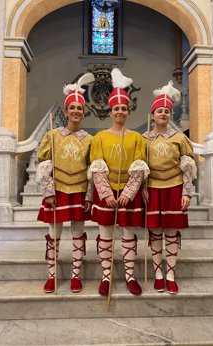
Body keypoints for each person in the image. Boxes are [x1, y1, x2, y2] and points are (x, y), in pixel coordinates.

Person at [88, 68, 149, 296]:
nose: (120, 112)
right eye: (116, 109)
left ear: (128, 111)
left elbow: (140, 168)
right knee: (105, 235)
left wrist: (128, 193)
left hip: (127, 194)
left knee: (128, 234)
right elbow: (96, 167)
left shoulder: (136, 137)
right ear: (111, 111)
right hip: (108, 193)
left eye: (124, 108)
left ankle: (130, 276)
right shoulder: (100, 138)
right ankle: (106, 276)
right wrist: (106, 194)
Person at [36, 72, 95, 293]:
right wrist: (48, 192)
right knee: (54, 234)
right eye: (72, 108)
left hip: (79, 190)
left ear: (84, 112)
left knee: (78, 233)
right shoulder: (52, 135)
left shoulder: (90, 140)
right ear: (67, 110)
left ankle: (76, 275)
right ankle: (52, 275)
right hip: (57, 191)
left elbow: (93, 170)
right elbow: (44, 164)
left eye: (80, 108)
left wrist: (89, 196)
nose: (76, 112)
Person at [142, 81, 196, 294]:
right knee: (155, 232)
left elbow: (188, 168)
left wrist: (186, 193)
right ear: (153, 114)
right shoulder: (144, 138)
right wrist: (143, 187)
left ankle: (171, 274)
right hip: (153, 189)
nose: (163, 114)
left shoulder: (180, 138)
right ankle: (157, 274)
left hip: (174, 188)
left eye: (166, 111)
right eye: (159, 111)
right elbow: (141, 167)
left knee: (171, 233)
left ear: (170, 114)